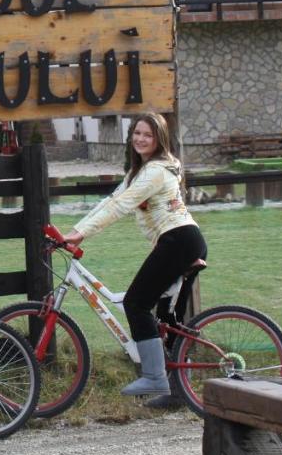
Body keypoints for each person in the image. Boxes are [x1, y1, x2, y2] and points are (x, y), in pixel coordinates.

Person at [61, 112, 206, 397]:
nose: (140, 139)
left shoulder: (154, 171)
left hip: (178, 241)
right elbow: (110, 200)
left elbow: (121, 206)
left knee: (136, 303)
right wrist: (75, 230)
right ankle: (176, 394)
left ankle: (154, 378)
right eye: (137, 133)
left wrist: (81, 234)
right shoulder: (142, 171)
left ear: (159, 139)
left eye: (148, 135)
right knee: (168, 321)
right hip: (186, 240)